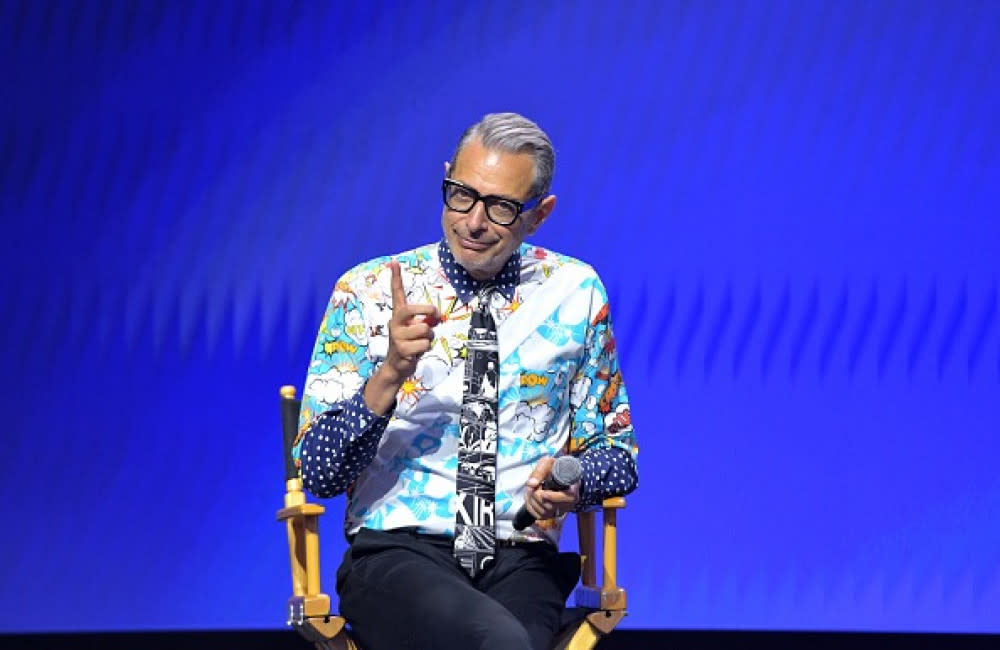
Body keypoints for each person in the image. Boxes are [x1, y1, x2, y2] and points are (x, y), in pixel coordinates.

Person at [293, 112, 638, 649]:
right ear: (447, 177)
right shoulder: (366, 292)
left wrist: (571, 485)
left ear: (538, 215)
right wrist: (389, 374)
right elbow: (317, 472)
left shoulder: (576, 293)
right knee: (497, 643)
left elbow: (618, 455)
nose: (474, 221)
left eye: (500, 207)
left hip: (520, 556)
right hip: (397, 554)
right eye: (461, 195)